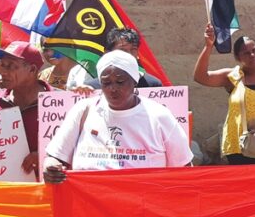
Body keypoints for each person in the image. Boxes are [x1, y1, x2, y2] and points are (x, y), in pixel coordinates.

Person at [43, 50, 193, 182]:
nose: (113, 89)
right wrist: (50, 167)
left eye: (120, 82)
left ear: (135, 81)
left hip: (144, 209)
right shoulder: (83, 110)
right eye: (106, 83)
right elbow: (54, 156)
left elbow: (184, 168)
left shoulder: (159, 116)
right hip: (90, 208)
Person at [194, 26, 255, 165]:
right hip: (238, 148)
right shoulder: (232, 77)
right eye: (246, 53)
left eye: (254, 50)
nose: (252, 55)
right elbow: (200, 77)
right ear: (237, 57)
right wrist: (208, 46)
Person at [0, 41, 51, 177]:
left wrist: (46, 157)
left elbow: (73, 149)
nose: (3, 72)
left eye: (11, 66)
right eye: (2, 65)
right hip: (6, 189)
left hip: (45, 190)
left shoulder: (57, 103)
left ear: (32, 70)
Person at [71, 28, 163, 90]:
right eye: (123, 50)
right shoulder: (92, 88)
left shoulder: (153, 85)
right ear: (107, 53)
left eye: (133, 50)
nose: (129, 55)